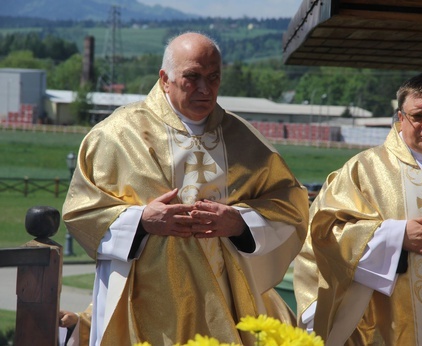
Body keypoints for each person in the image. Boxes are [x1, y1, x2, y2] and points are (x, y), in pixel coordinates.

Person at [62, 32, 309, 346]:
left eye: (214, 77)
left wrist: (240, 222)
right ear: (165, 79)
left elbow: (292, 205)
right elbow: (81, 210)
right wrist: (141, 220)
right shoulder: (115, 136)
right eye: (192, 77)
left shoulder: (245, 139)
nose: (205, 89)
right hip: (148, 301)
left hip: (226, 299)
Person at [293, 72, 422, 346]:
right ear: (400, 119)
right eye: (418, 116)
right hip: (387, 322)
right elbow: (324, 234)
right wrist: (396, 237)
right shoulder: (364, 169)